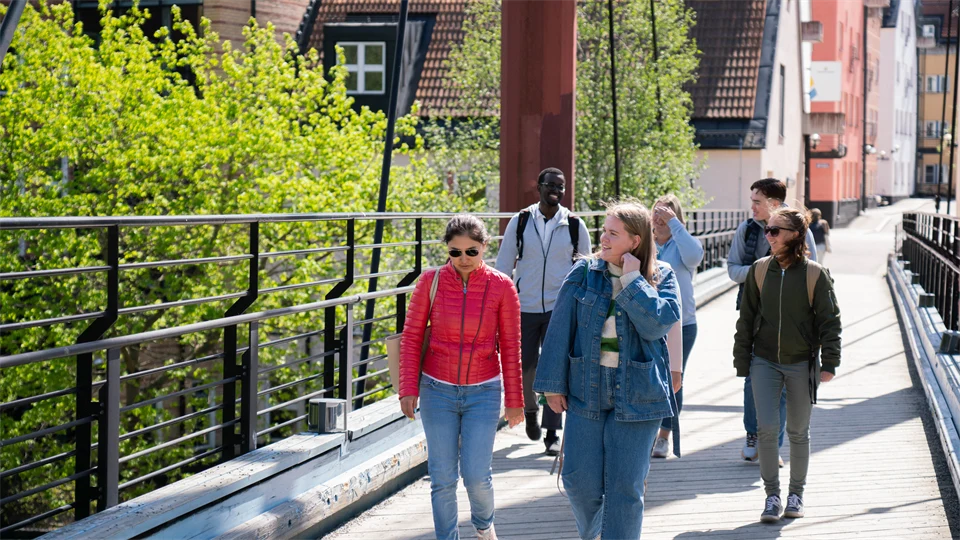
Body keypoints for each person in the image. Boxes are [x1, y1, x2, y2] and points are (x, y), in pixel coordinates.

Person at [534, 199, 682, 540]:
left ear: (635, 241)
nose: (603, 239)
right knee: (578, 480)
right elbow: (559, 328)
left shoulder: (662, 277)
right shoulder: (585, 271)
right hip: (587, 387)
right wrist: (552, 386)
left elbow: (658, 323)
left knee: (625, 487)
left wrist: (632, 280)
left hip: (640, 393)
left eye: (613, 234)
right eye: (604, 231)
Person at [399, 215, 525, 540]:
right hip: (436, 390)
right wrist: (407, 389)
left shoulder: (502, 287)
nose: (464, 259)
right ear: (447, 251)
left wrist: (514, 402)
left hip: (483, 392)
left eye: (471, 251)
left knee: (476, 475)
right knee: (442, 477)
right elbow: (412, 337)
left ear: (485, 247)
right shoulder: (430, 282)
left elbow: (511, 347)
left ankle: (484, 528)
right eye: (455, 252)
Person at [733, 207, 841, 523]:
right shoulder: (758, 271)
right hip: (764, 361)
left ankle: (796, 494)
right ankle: (772, 497)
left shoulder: (815, 275)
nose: (768, 236)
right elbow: (747, 318)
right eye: (767, 230)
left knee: (798, 431)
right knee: (766, 430)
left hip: (802, 364)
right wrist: (743, 360)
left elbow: (830, 321)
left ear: (794, 235)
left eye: (775, 231)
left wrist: (830, 362)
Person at [495, 167, 592, 456]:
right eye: (551, 185)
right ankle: (530, 410)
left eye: (561, 187)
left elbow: (586, 269)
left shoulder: (575, 224)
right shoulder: (521, 221)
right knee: (526, 366)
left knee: (555, 368)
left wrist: (580, 306)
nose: (556, 190)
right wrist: (499, 305)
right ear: (538, 187)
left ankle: (552, 432)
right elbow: (503, 265)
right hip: (522, 306)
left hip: (559, 308)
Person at [727, 178, 818, 464]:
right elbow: (732, 269)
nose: (751, 207)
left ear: (774, 204)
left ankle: (773, 446)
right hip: (754, 314)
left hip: (792, 317)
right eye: (751, 200)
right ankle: (752, 433)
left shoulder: (798, 228)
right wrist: (761, 273)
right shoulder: (746, 230)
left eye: (757, 202)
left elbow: (812, 270)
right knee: (753, 378)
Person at [651, 194, 704, 458]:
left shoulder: (683, 244)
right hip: (648, 322)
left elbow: (695, 257)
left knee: (673, 378)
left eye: (667, 212)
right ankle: (647, 431)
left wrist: (675, 225)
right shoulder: (644, 244)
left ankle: (664, 436)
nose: (660, 216)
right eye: (656, 211)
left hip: (682, 324)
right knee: (650, 377)